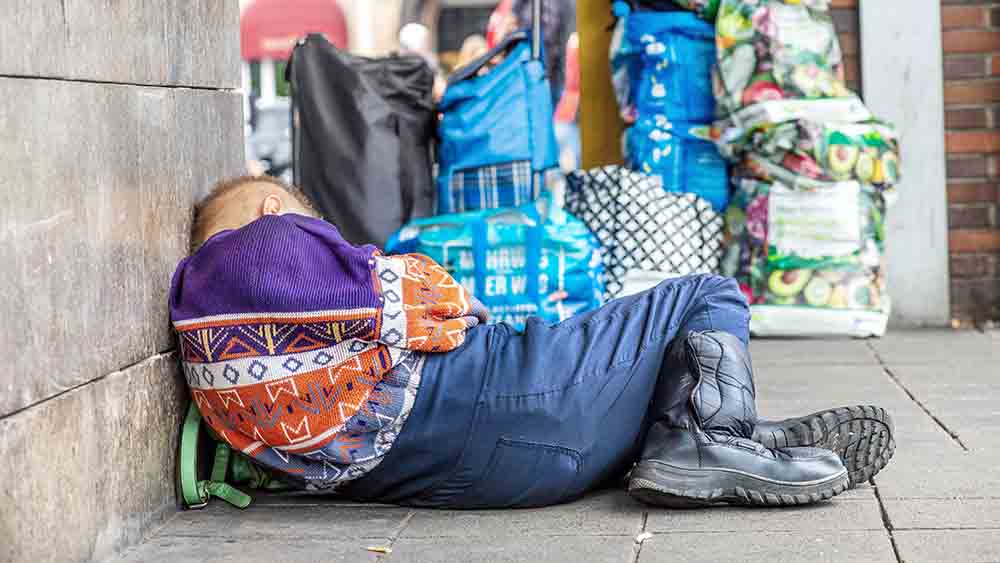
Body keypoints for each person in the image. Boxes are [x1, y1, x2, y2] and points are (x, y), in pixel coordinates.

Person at [170, 176, 896, 509]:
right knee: (705, 295)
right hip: (505, 394)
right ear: (273, 209)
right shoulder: (252, 248)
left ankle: (705, 435)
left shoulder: (221, 374)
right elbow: (424, 298)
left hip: (497, 476)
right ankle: (711, 434)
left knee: (642, 374)